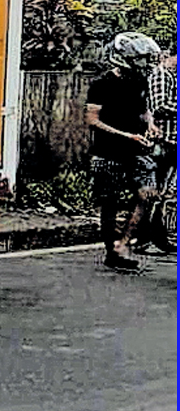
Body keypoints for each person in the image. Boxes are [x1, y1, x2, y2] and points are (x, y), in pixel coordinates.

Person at [85, 31, 162, 272]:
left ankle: (123, 244)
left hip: (137, 150)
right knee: (110, 202)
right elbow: (92, 119)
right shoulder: (102, 84)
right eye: (140, 59)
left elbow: (144, 109)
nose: (145, 65)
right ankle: (112, 250)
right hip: (108, 152)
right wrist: (126, 135)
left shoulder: (139, 82)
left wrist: (150, 124)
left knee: (146, 195)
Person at [147, 41, 176, 191]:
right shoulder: (162, 74)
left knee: (167, 187)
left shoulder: (172, 76)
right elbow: (159, 106)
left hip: (172, 139)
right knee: (159, 185)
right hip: (165, 138)